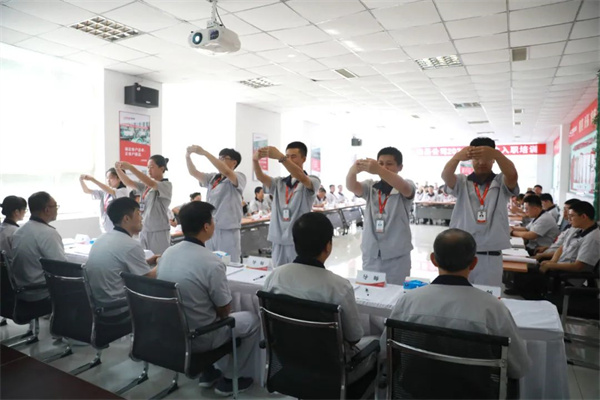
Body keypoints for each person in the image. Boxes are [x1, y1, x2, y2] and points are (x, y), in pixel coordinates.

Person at [386, 229, 531, 384]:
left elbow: (386, 351)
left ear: (433, 260)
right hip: (474, 392)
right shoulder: (493, 309)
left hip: (414, 390)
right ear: (474, 263)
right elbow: (519, 367)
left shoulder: (408, 301)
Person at [156, 201, 259, 395]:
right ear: (206, 226)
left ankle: (208, 371)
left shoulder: (168, 253)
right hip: (200, 336)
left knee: (198, 309)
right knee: (252, 320)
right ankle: (231, 378)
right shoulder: (211, 262)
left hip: (171, 331)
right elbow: (224, 310)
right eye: (213, 220)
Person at [263, 212, 377, 383]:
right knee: (376, 343)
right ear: (328, 246)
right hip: (331, 371)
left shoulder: (275, 277)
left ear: (295, 243)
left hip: (289, 361)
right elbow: (354, 337)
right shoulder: (339, 287)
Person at [441, 137, 519, 287]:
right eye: (476, 158)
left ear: (493, 160)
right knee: (459, 295)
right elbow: (446, 176)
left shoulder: (501, 181)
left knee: (488, 297)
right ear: (471, 160)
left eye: (487, 158)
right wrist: (457, 157)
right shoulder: (462, 182)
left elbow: (512, 175)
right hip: (461, 253)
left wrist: (497, 154)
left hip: (491, 255)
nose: (481, 162)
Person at [346, 146, 415, 285]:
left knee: (396, 291)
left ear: (400, 167)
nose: (384, 167)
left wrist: (378, 169)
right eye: (381, 163)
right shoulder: (371, 186)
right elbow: (352, 186)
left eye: (389, 164)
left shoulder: (405, 185)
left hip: (397, 255)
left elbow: (405, 188)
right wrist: (353, 170)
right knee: (370, 291)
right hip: (371, 253)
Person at [510, 201, 599, 298]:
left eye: (571, 216)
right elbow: (562, 247)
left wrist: (552, 265)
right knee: (523, 272)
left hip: (567, 276)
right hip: (559, 267)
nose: (568, 219)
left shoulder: (592, 238)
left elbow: (578, 266)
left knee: (526, 278)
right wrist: (552, 262)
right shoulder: (578, 229)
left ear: (584, 216)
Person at [85, 198, 159, 314]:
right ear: (126, 218)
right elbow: (147, 280)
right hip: (120, 307)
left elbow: (120, 266)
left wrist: (148, 261)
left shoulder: (102, 238)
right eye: (138, 214)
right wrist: (162, 262)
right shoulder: (130, 245)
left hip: (100, 305)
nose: (141, 218)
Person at [253, 142, 320, 267]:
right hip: (278, 238)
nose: (289, 159)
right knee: (278, 272)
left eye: (293, 156)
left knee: (297, 272)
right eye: (287, 156)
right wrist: (255, 161)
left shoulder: (313, 180)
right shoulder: (279, 182)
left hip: (298, 238)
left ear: (304, 159)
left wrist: (281, 157)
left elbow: (301, 177)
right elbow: (260, 177)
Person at [186, 146, 246, 263]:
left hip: (228, 229)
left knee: (229, 263)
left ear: (234, 162)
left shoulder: (239, 176)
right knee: (210, 261)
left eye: (223, 158)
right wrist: (188, 156)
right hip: (210, 228)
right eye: (219, 158)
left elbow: (227, 171)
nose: (219, 161)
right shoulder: (213, 178)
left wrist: (205, 152)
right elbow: (194, 172)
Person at [11, 192, 66, 301]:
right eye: (55, 206)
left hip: (22, 291)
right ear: (47, 210)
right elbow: (61, 267)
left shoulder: (19, 231)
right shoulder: (48, 233)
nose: (57, 209)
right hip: (41, 292)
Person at [115, 155, 172, 255]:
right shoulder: (146, 187)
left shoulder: (166, 185)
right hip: (144, 229)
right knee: (145, 257)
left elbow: (151, 183)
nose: (149, 170)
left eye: (152, 167)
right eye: (148, 167)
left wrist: (131, 167)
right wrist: (118, 170)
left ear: (162, 168)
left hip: (158, 230)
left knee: (159, 258)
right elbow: (128, 182)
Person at [79, 168, 129, 233]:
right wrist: (81, 180)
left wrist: (92, 179)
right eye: (107, 178)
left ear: (119, 179)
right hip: (105, 226)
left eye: (111, 178)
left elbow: (111, 191)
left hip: (116, 227)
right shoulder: (105, 192)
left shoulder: (123, 191)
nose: (108, 180)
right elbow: (87, 191)